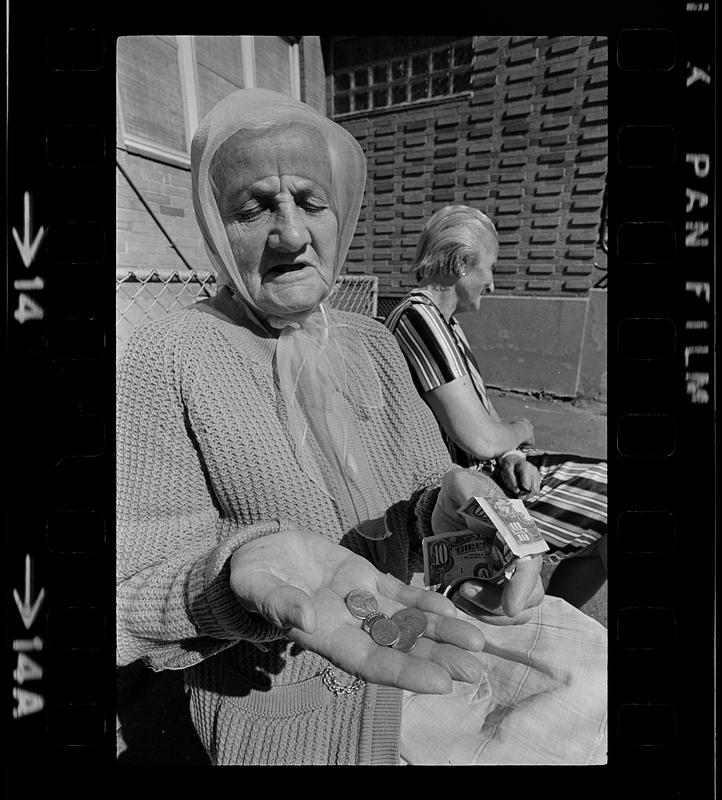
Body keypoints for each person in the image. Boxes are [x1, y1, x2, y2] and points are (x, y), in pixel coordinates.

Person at [117, 90, 606, 766]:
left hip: (427, 635)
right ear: (213, 224)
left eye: (310, 203)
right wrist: (228, 578)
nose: (291, 234)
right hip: (293, 708)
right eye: (254, 207)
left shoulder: (374, 343)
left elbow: (419, 509)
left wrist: (459, 518)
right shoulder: (163, 359)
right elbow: (127, 586)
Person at [384, 205, 607, 608]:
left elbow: (484, 429)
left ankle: (550, 626)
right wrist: (520, 428)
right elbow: (481, 437)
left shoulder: (444, 323)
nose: (491, 281)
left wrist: (512, 453)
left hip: (491, 478)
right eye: (489, 267)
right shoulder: (419, 319)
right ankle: (549, 628)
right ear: (461, 264)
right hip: (462, 500)